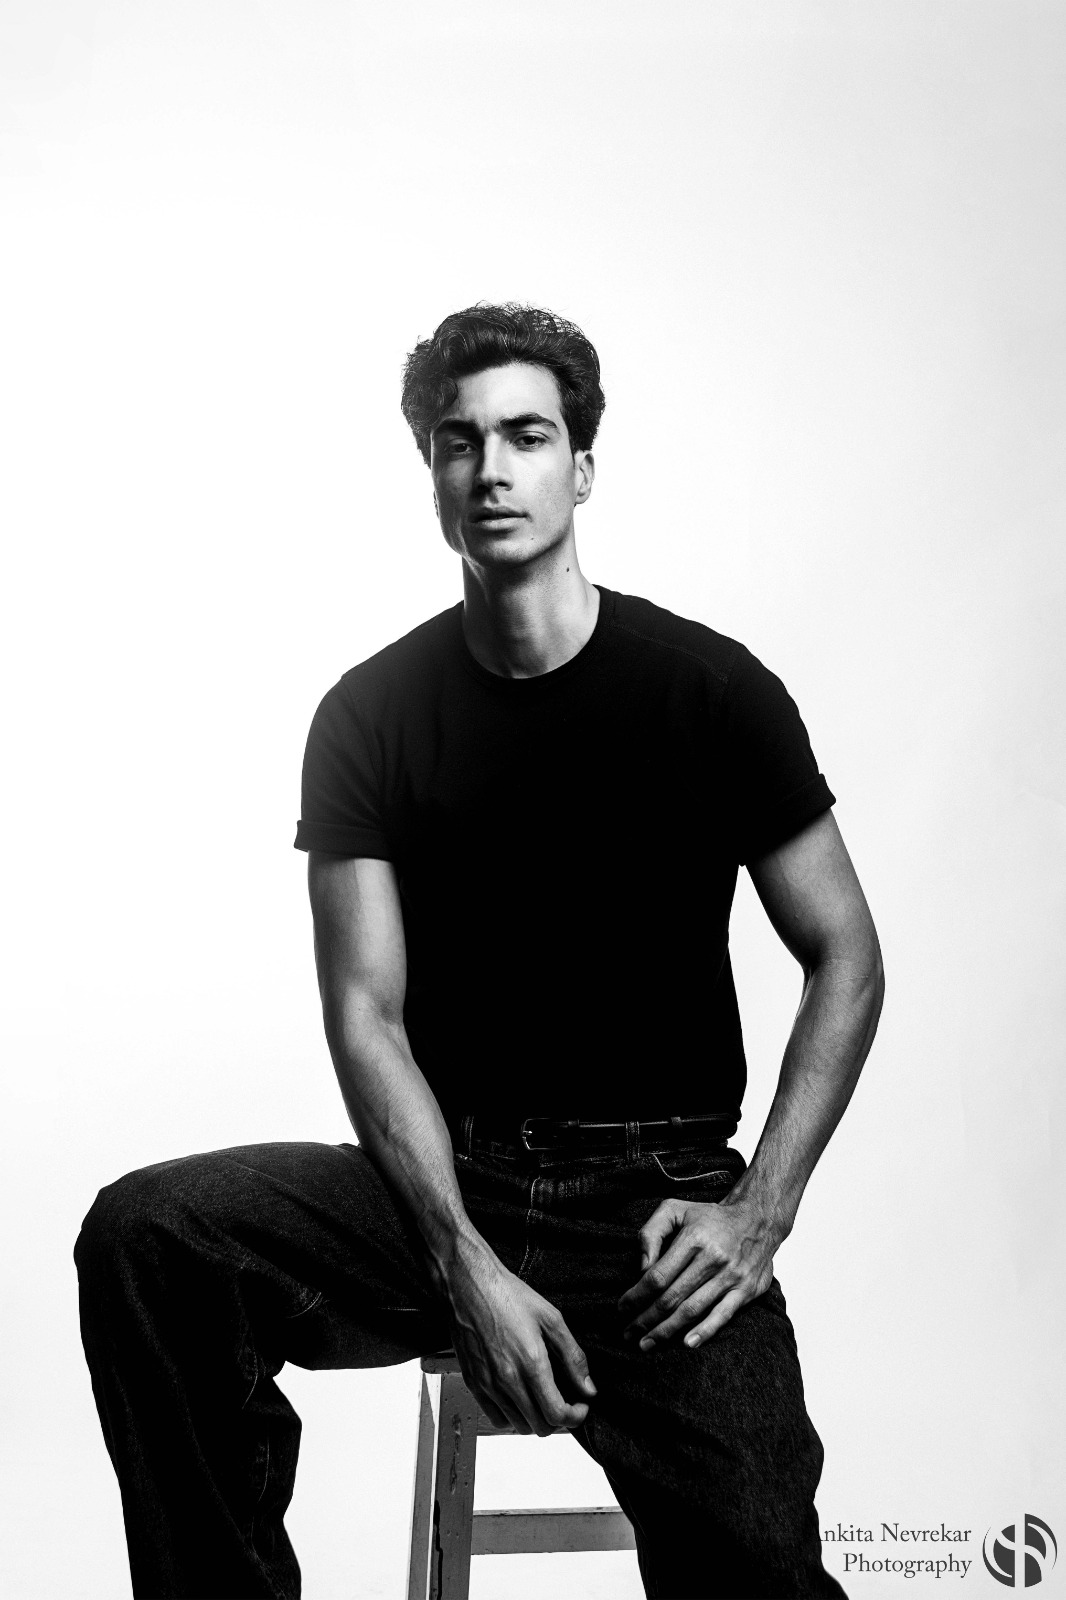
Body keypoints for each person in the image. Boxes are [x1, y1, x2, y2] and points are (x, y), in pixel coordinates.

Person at [76, 302, 884, 1600]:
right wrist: (465, 1263)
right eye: (460, 442)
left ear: (583, 467)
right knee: (152, 1237)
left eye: (527, 436)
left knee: (761, 1572)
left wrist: (759, 1212)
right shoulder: (369, 714)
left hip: (651, 1211)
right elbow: (366, 1014)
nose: (492, 470)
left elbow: (845, 953)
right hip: (443, 1187)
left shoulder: (710, 692)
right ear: (431, 471)